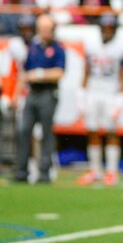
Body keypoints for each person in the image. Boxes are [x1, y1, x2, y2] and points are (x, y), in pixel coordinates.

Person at [76, 14, 123, 186]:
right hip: (93, 91)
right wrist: (81, 93)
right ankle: (95, 170)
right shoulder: (91, 44)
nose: (107, 31)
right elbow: (86, 69)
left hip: (110, 93)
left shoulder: (120, 47)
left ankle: (112, 171)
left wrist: (120, 97)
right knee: (92, 130)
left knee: (111, 131)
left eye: (110, 28)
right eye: (105, 27)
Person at [14, 14, 65, 183]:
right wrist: (16, 94)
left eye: (47, 28)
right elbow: (24, 73)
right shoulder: (33, 47)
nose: (44, 32)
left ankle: (45, 171)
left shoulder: (57, 48)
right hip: (32, 93)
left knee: (46, 133)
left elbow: (59, 72)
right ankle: (21, 171)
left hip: (47, 93)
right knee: (24, 130)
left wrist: (40, 74)